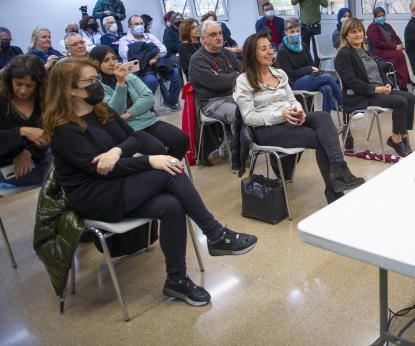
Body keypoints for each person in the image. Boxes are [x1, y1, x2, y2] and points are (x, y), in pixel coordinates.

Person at [43, 58, 257, 307]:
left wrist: (115, 152)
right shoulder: (63, 129)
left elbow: (134, 139)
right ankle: (215, 234)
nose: (98, 85)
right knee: (168, 171)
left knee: (171, 206)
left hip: (119, 183)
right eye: (91, 81)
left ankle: (176, 280)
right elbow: (100, 171)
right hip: (95, 197)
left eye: (97, 80)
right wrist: (149, 162)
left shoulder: (101, 110)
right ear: (69, 89)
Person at [234, 32, 364, 204]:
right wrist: (280, 115)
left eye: (270, 48)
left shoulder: (279, 73)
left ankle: (339, 168)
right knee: (320, 138)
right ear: (252, 54)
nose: (269, 52)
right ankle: (334, 191)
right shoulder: (244, 80)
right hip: (267, 130)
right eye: (263, 49)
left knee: (323, 117)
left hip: (289, 119)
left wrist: (298, 110)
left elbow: (292, 99)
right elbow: (249, 118)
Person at [90, 46, 189, 160]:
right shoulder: (98, 87)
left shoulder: (128, 75)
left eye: (114, 58)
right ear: (97, 64)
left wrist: (128, 114)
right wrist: (120, 83)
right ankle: (164, 172)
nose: (112, 63)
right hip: (126, 128)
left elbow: (148, 97)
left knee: (182, 139)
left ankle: (169, 171)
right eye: (106, 60)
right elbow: (115, 111)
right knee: (157, 149)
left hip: (147, 120)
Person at [335, 18, 415, 157]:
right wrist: (375, 89)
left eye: (360, 31)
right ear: (345, 35)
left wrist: (387, 83)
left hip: (378, 90)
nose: (358, 34)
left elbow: (378, 71)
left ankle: (402, 134)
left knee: (410, 97)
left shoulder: (365, 50)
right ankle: (396, 139)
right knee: (400, 102)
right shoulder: (344, 54)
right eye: (353, 32)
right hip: (361, 95)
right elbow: (351, 81)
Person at [188, 19, 241, 163]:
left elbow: (243, 73)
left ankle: (231, 144)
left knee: (257, 103)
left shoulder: (227, 53)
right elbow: (216, 84)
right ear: (202, 38)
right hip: (212, 102)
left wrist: (230, 77)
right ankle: (240, 153)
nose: (219, 37)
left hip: (234, 96)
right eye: (213, 34)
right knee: (238, 113)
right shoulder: (197, 60)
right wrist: (234, 76)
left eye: (220, 33)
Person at [0, 56, 50, 188]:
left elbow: (49, 134)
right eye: (18, 84)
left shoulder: (45, 101)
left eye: (29, 86)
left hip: (39, 159)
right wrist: (22, 132)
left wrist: (28, 152)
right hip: (5, 166)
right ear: (9, 81)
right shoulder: (2, 102)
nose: (23, 91)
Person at [277, 18, 342, 113]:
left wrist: (314, 71)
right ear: (286, 32)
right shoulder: (282, 51)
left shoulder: (303, 45)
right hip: (294, 83)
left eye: (297, 31)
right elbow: (290, 74)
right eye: (292, 31)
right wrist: (309, 69)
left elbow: (311, 64)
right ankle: (343, 104)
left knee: (327, 88)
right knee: (328, 78)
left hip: (308, 78)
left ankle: (326, 118)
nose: (295, 33)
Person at [119, 15, 181, 111]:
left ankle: (170, 101)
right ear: (129, 26)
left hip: (157, 64)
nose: (139, 25)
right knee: (151, 80)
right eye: (136, 24)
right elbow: (129, 57)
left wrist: (155, 57)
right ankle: (148, 107)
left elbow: (163, 50)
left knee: (176, 74)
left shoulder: (150, 36)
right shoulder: (124, 40)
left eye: (141, 23)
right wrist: (151, 51)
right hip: (140, 70)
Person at [366, 7, 410, 90]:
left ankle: (405, 80)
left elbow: (395, 36)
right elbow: (377, 43)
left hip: (391, 50)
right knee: (399, 56)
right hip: (379, 52)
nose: (381, 18)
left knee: (405, 53)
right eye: (379, 16)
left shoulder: (388, 26)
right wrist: (395, 47)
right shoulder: (372, 28)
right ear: (374, 17)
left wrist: (400, 45)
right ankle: (403, 86)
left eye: (383, 15)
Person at [291, 0, 328, 65]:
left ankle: (317, 68)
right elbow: (293, 2)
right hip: (304, 26)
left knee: (317, 50)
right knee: (305, 49)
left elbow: (325, 4)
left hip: (316, 26)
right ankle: (308, 68)